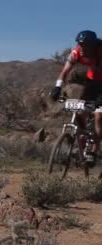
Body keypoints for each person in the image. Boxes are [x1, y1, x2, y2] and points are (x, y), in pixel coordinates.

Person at [51, 30, 102, 166]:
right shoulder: (77, 52)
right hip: (92, 83)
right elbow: (65, 71)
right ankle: (81, 149)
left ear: (93, 45)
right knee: (80, 113)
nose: (82, 48)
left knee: (99, 116)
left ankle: (94, 152)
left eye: (85, 45)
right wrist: (57, 87)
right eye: (80, 44)